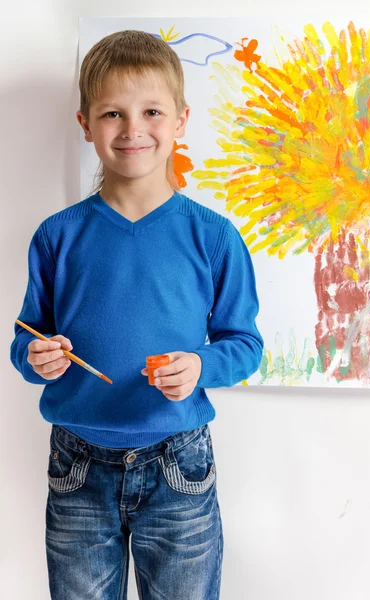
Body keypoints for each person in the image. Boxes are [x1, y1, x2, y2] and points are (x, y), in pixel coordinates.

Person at [10, 30, 263, 600]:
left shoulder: (214, 237)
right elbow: (24, 339)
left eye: (151, 111)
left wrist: (201, 366)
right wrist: (37, 356)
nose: (132, 130)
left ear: (180, 121)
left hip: (180, 465)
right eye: (111, 114)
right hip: (76, 466)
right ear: (85, 124)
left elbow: (244, 343)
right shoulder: (57, 235)